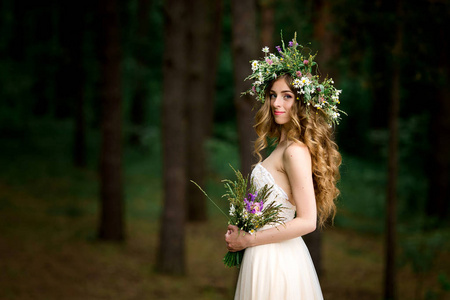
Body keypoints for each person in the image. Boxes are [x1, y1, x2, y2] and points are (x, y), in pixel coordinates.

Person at [225, 34, 343, 300]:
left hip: (278, 260)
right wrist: (243, 227)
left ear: (301, 102)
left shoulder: (295, 151)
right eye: (273, 95)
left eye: (287, 96)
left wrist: (249, 239)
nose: (276, 103)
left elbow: (307, 221)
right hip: (263, 254)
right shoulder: (281, 146)